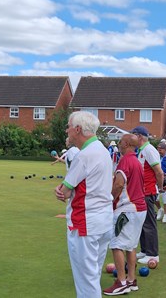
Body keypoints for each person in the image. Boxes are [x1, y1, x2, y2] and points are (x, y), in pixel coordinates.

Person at [54, 111, 113, 298]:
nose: (67, 130)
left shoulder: (84, 155)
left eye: (69, 126)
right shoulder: (103, 150)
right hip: (103, 219)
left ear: (77, 129)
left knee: (86, 281)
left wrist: (61, 190)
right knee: (92, 275)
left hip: (85, 222)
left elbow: (65, 191)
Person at [103, 134, 147, 296]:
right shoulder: (136, 161)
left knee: (116, 244)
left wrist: (109, 200)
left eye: (121, 141)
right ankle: (131, 279)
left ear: (127, 144)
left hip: (127, 209)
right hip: (139, 209)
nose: (119, 144)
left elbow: (119, 184)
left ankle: (121, 282)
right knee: (131, 245)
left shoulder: (125, 161)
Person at [131, 126, 164, 264]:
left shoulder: (149, 150)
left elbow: (159, 172)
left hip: (148, 191)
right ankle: (145, 250)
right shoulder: (142, 150)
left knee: (149, 223)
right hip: (141, 191)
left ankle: (153, 254)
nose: (131, 138)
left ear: (139, 136)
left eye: (133, 135)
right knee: (142, 222)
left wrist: (160, 188)